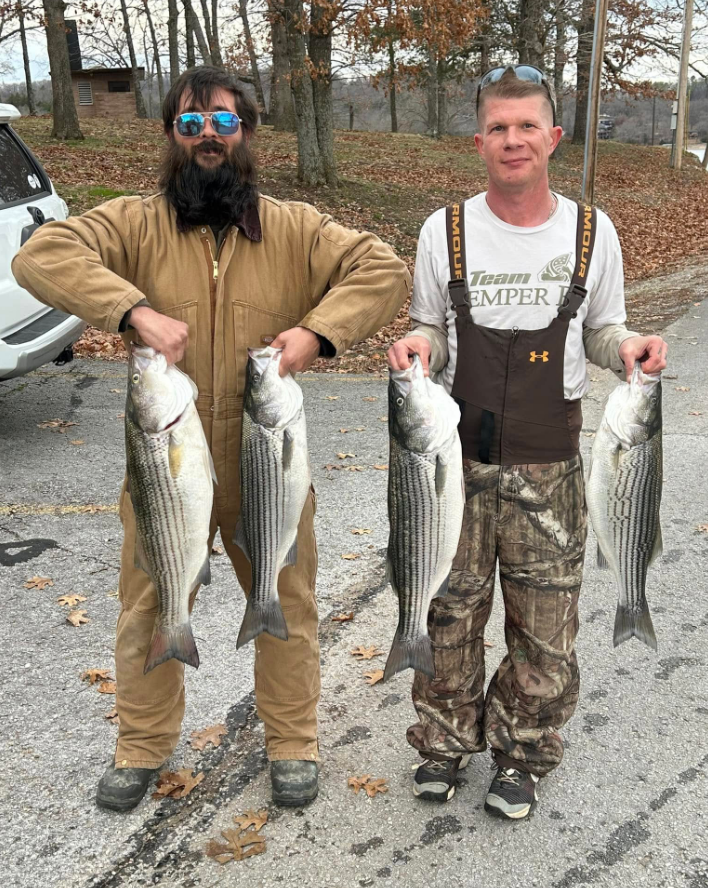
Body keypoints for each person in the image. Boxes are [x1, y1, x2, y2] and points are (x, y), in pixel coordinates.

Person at [13, 66, 410, 813]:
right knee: (152, 599)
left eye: (223, 123)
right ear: (170, 134)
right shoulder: (133, 222)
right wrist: (132, 310)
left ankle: (292, 741)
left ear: (248, 134)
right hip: (167, 465)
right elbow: (40, 256)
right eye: (190, 124)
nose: (207, 138)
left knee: (286, 599)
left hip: (267, 457)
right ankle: (142, 744)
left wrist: (317, 332)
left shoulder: (294, 228)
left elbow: (382, 269)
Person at [387, 65, 667, 820]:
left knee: (546, 629)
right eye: (499, 128)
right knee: (448, 617)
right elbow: (430, 330)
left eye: (527, 126)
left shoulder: (590, 230)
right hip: (458, 463)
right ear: (479, 140)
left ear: (554, 136)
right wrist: (415, 347)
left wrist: (631, 345)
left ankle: (522, 755)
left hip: (553, 465)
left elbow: (604, 330)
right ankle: (443, 745)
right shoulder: (443, 230)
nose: (513, 141)